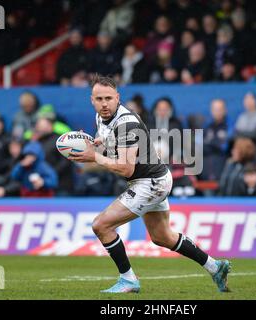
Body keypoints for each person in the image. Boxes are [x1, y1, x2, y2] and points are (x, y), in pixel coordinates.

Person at [67, 74, 231, 293]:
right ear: (92, 100)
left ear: (118, 97)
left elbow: (126, 168)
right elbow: (109, 140)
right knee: (162, 237)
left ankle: (128, 280)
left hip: (149, 182)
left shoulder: (127, 124)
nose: (104, 103)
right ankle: (215, 266)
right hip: (154, 178)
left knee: (101, 225)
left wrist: (94, 156)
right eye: (99, 99)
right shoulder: (101, 118)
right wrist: (95, 143)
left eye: (108, 98)